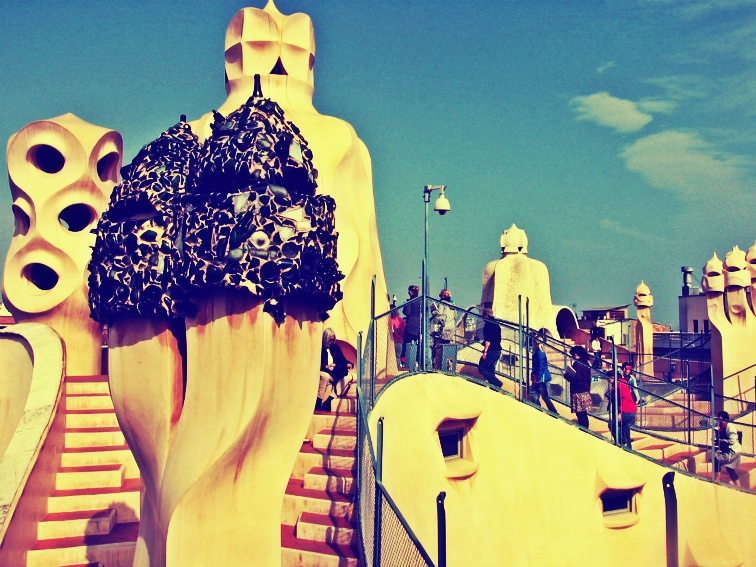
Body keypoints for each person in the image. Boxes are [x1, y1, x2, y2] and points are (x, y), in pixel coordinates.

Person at [317, 328, 354, 412]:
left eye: (333, 340)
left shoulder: (336, 347)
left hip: (334, 373)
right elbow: (316, 363)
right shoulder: (320, 348)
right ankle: (318, 402)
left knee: (346, 378)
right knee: (325, 376)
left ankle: (330, 399)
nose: (332, 342)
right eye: (330, 340)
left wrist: (349, 364)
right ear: (325, 339)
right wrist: (326, 366)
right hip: (325, 371)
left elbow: (342, 359)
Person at [429, 288, 457, 370]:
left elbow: (439, 314)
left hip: (444, 328)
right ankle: (448, 363)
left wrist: (433, 311)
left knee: (439, 347)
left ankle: (438, 366)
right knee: (447, 346)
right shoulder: (453, 305)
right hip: (451, 328)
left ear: (442, 295)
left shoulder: (442, 303)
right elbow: (455, 316)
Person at [565, 346, 592, 428]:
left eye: (573, 355)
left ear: (576, 354)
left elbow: (577, 378)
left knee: (580, 414)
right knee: (584, 413)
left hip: (578, 392)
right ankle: (585, 429)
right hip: (585, 390)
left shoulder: (577, 364)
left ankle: (584, 430)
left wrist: (567, 376)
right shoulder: (586, 363)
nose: (573, 357)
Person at [530, 339, 557, 413]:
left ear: (536, 343)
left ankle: (540, 408)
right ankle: (552, 411)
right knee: (543, 395)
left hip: (541, 377)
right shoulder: (540, 351)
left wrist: (538, 378)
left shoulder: (539, 353)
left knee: (536, 393)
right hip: (541, 376)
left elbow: (541, 366)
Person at [715, 411, 741, 485]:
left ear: (725, 419)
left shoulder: (730, 426)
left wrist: (720, 440)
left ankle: (717, 479)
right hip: (730, 450)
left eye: (720, 419)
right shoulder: (721, 427)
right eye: (718, 419)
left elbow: (732, 440)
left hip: (733, 450)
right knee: (730, 469)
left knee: (717, 459)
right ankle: (738, 487)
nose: (719, 421)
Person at [479, 309, 503, 388]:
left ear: (486, 315)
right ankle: (494, 388)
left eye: (483, 314)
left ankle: (497, 383)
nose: (482, 316)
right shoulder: (496, 324)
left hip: (491, 350)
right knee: (490, 368)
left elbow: (488, 340)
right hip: (498, 350)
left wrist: (485, 352)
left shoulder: (488, 325)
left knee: (482, 368)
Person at [402, 285, 421, 372]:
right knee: (417, 344)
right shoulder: (421, 300)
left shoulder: (410, 301)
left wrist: (405, 305)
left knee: (407, 344)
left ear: (410, 292)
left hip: (410, 325)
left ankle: (408, 364)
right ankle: (417, 361)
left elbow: (407, 312)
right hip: (419, 325)